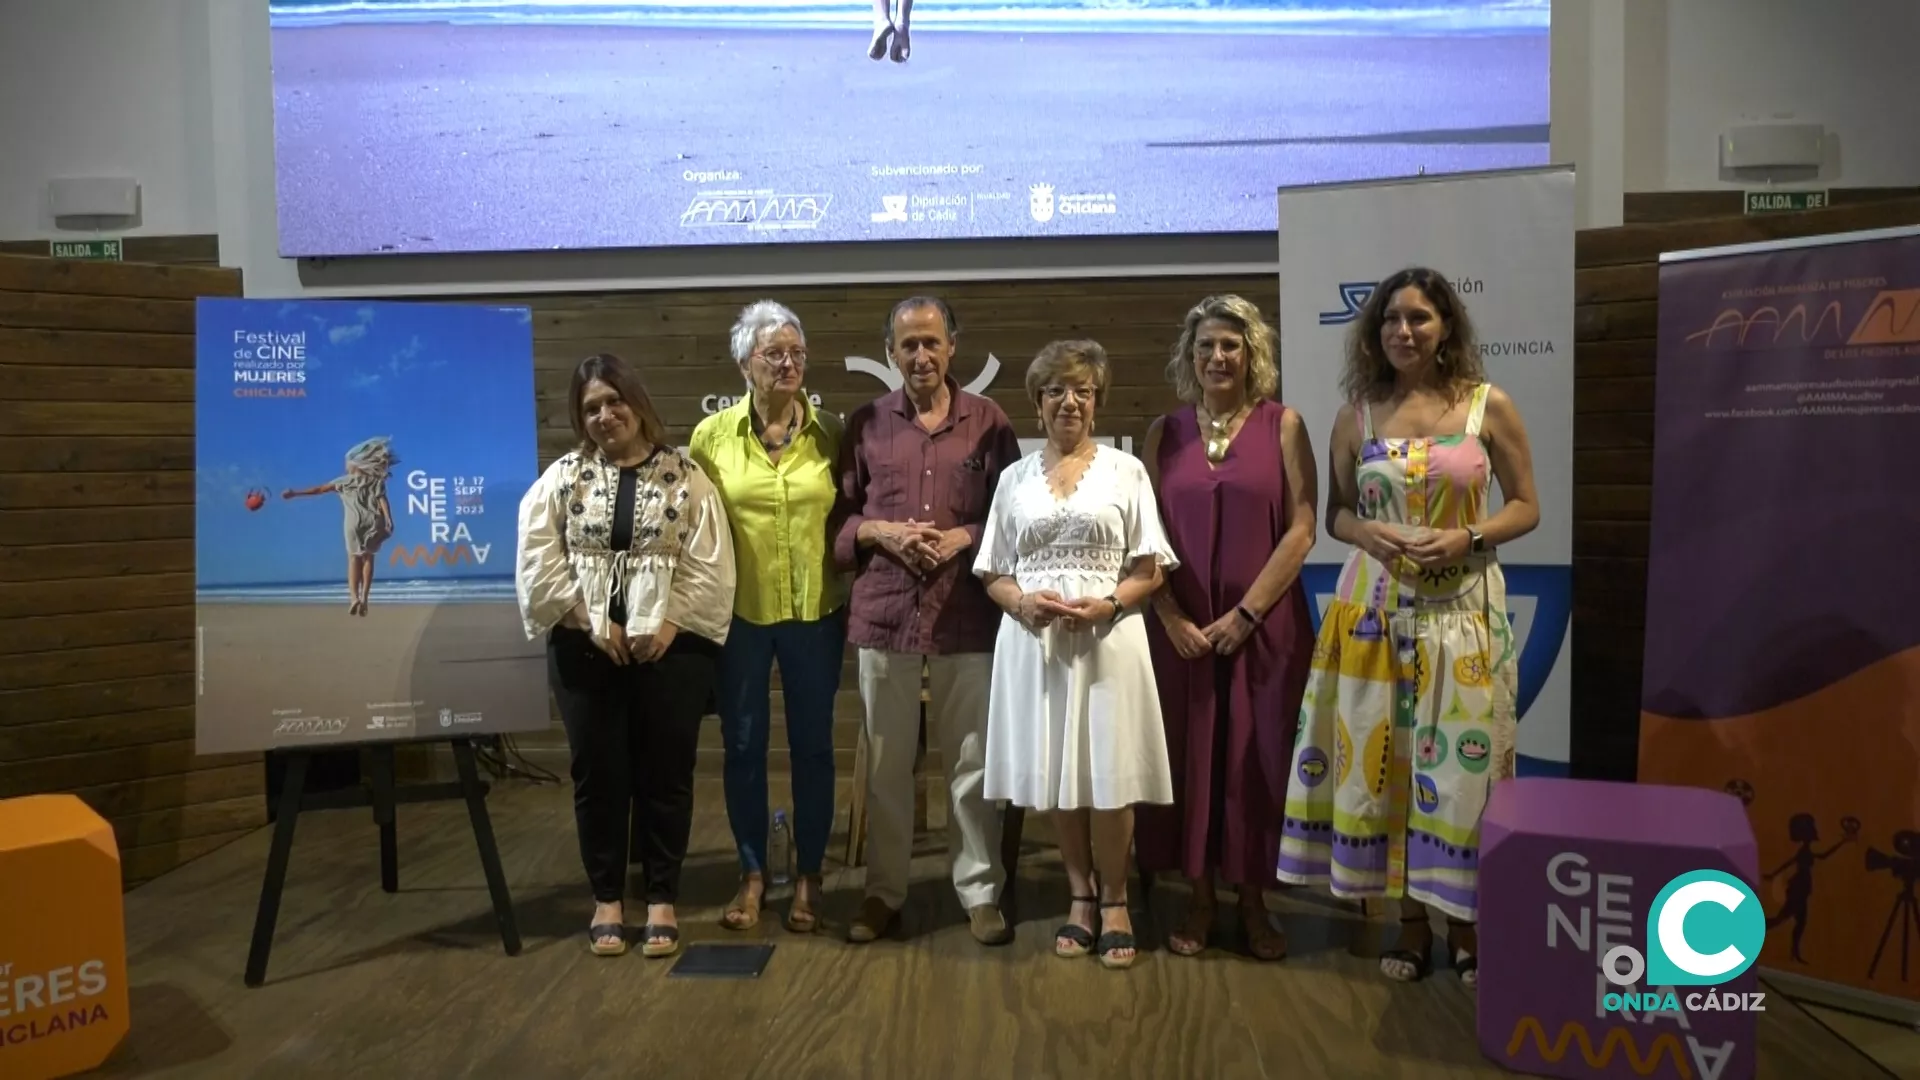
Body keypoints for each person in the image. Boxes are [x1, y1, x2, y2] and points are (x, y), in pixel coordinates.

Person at [1275, 267, 1540, 987]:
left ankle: (1468, 923)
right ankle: (1412, 923)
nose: (1404, 330)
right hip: (1370, 616)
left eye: (1420, 317)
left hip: (1463, 619)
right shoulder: (1356, 416)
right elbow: (1336, 512)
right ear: (1375, 331)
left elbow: (1526, 505)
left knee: (1463, 775)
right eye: (1392, 319)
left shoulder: (1488, 406)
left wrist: (1469, 537)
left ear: (1445, 326)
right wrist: (1364, 532)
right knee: (1382, 769)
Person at [515, 354, 736, 959]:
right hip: (584, 649)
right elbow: (537, 553)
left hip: (671, 649)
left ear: (637, 403)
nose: (605, 415)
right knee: (597, 773)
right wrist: (585, 619)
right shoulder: (564, 477)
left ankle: (662, 897)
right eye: (591, 408)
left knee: (667, 773)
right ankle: (607, 898)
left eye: (614, 401)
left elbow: (709, 559)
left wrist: (669, 622)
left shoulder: (685, 475)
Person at [973, 339, 1179, 971]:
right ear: (1037, 402)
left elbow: (1150, 568)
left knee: (1109, 775)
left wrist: (1109, 605)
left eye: (1083, 391)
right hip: (1035, 643)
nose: (1070, 401)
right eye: (1056, 390)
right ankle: (1080, 896)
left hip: (1108, 640)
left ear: (1097, 402)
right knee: (1057, 774)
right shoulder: (1012, 479)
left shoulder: (1126, 470)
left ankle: (1116, 900)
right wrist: (1020, 603)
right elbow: (992, 570)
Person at [834, 296, 1025, 946]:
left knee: (972, 763)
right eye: (908, 344)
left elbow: (1012, 514)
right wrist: (881, 531)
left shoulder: (989, 421)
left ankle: (979, 892)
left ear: (952, 348)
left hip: (965, 615)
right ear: (890, 352)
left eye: (931, 343)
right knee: (887, 765)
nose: (920, 356)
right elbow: (840, 520)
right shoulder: (865, 423)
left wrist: (963, 537)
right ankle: (884, 893)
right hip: (885, 616)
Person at [1139, 295, 1317, 962]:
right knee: (1188, 759)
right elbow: (1144, 536)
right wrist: (1171, 617)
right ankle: (1199, 896)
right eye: (1206, 346)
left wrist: (1247, 614)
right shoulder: (1163, 434)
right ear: (1189, 357)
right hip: (1182, 633)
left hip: (1264, 629)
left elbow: (1303, 528)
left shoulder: (1284, 425)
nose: (1218, 357)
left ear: (1252, 355)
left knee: (1256, 760)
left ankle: (1253, 900)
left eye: (1231, 345)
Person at [690, 300, 847, 935]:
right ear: (744, 363)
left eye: (797, 353)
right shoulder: (710, 438)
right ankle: (752, 873)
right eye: (774, 353)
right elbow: (695, 528)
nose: (789, 364)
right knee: (743, 746)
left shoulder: (832, 432)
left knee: (814, 746)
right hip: (741, 616)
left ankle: (809, 874)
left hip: (816, 612)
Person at [281, 435, 397, 616]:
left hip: (353, 523)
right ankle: (365, 598)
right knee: (368, 558)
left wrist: (295, 493)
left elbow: (318, 490)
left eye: (347, 464)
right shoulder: (375, 481)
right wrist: (389, 519)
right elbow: (382, 500)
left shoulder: (343, 481)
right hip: (373, 522)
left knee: (353, 559)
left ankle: (354, 598)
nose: (345, 467)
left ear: (355, 464)